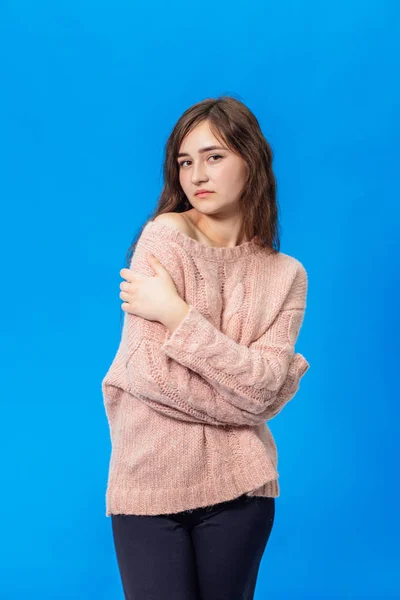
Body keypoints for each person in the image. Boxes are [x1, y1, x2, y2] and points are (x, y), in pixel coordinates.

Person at [102, 95, 310, 599]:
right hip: (148, 481)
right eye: (185, 161)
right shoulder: (163, 240)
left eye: (214, 156)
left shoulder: (287, 276)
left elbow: (259, 391)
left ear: (251, 160)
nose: (197, 174)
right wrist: (253, 395)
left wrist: (176, 314)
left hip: (242, 491)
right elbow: (148, 373)